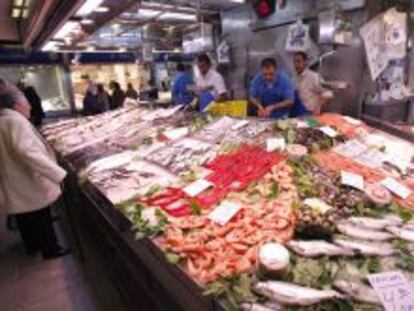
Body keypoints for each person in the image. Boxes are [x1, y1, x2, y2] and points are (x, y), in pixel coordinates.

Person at [0, 79, 69, 259]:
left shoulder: (4, 120)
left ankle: (32, 246)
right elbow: (27, 152)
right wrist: (57, 173)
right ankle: (51, 250)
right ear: (16, 105)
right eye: (26, 102)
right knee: (40, 216)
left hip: (14, 179)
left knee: (25, 216)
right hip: (26, 178)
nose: (30, 106)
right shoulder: (16, 122)